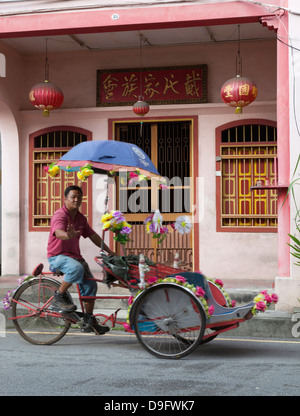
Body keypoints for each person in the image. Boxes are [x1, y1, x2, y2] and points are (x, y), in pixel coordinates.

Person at [47, 185, 115, 335]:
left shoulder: (80, 218)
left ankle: (88, 321)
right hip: (57, 256)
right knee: (76, 268)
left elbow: (93, 235)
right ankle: (58, 297)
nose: (76, 200)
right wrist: (67, 235)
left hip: (74, 257)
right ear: (65, 199)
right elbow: (58, 232)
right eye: (73, 197)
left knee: (91, 286)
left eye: (79, 197)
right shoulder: (60, 215)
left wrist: (110, 251)